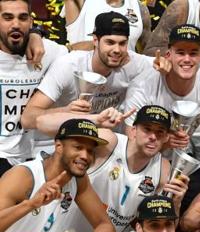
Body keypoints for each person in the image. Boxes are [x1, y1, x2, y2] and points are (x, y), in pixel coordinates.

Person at [122, 23, 200, 214]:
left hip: (178, 165)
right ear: (168, 54)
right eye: (180, 52)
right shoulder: (144, 85)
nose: (187, 59)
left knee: (196, 207)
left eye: (193, 53)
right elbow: (131, 142)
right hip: (140, 163)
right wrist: (167, 141)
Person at [21, 12, 169, 155]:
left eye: (122, 43)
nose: (117, 50)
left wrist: (166, 65)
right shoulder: (69, 66)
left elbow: (168, 63)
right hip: (56, 144)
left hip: (100, 146)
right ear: (95, 41)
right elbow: (27, 118)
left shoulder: (133, 63)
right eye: (110, 42)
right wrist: (66, 110)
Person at [60, 105, 189, 232]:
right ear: (133, 131)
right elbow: (46, 125)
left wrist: (176, 202)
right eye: (147, 129)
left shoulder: (164, 170)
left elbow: (164, 228)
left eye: (160, 132)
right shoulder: (109, 142)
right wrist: (95, 120)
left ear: (166, 138)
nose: (153, 137)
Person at [0, 0, 68, 174]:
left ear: (30, 21)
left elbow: (84, 49)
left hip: (33, 156)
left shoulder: (49, 52)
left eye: (22, 18)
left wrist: (37, 34)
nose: (16, 24)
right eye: (7, 18)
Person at [61, 0, 151, 52]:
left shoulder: (139, 7)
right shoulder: (81, 2)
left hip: (123, 80)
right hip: (82, 78)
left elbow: (147, 52)